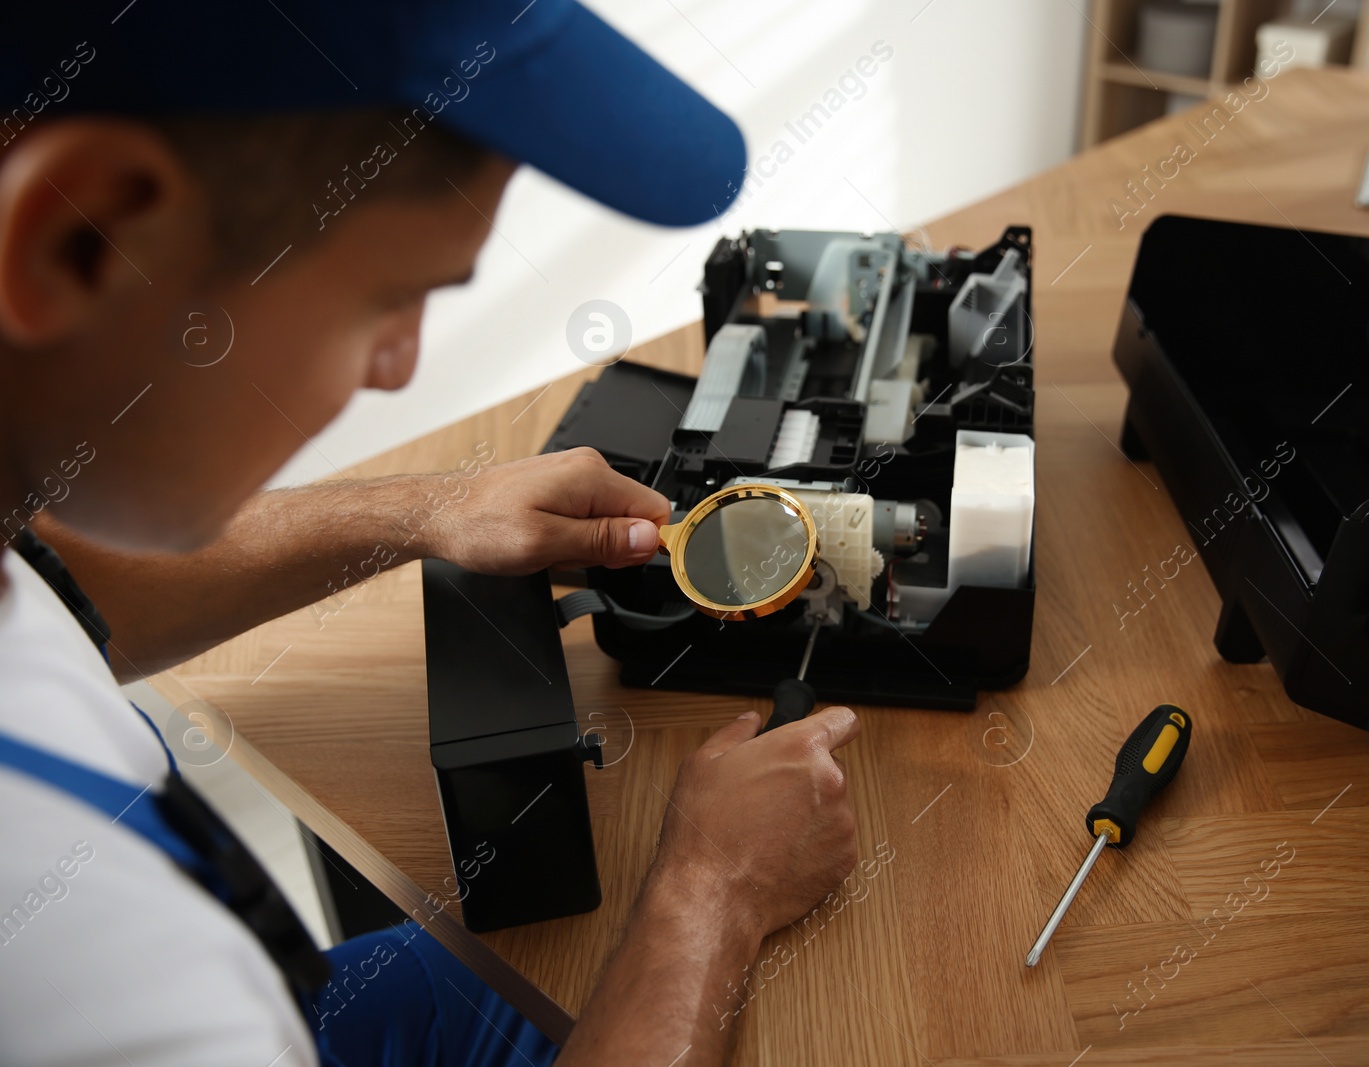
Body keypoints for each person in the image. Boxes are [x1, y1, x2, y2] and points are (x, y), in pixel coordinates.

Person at [0, 2, 859, 1064]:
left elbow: (56, 595)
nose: (397, 364)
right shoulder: (108, 992)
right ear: (77, 241)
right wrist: (710, 894)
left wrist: (424, 511)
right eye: (392, 298)